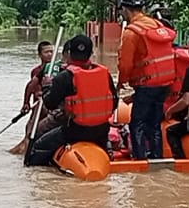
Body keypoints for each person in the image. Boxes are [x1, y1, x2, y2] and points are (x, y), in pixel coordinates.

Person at [24, 34, 118, 167]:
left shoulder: (64, 77)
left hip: (75, 130)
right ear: (91, 53)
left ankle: (40, 171)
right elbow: (114, 103)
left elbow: (50, 103)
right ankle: (106, 146)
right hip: (101, 130)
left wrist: (46, 86)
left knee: (38, 144)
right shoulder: (105, 74)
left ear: (69, 53)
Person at [117, 0, 176, 160]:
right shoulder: (157, 25)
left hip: (146, 85)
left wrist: (121, 83)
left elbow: (126, 64)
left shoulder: (131, 32)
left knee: (137, 124)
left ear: (126, 10)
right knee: (154, 124)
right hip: (165, 83)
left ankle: (140, 160)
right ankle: (157, 157)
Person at [10, 41, 65, 155]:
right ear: (40, 55)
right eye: (46, 52)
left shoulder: (59, 69)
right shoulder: (36, 71)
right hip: (39, 107)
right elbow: (31, 86)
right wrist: (26, 103)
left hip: (53, 107)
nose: (50, 54)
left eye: (52, 52)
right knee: (30, 129)